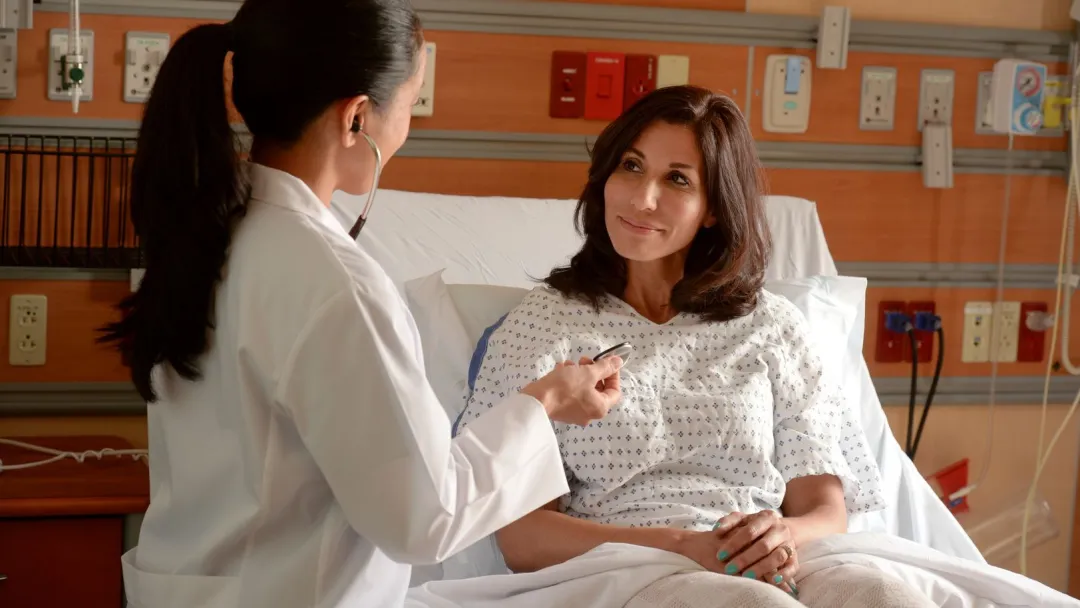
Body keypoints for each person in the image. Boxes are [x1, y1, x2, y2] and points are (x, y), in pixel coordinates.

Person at [98, 1, 624, 606]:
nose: (409, 123)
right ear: (355, 118)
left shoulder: (206, 235)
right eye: (410, 100)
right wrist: (546, 401)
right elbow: (426, 517)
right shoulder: (335, 284)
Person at [454, 85, 939, 607]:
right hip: (630, 568)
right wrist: (687, 546)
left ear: (713, 209)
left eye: (677, 179)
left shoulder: (772, 325)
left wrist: (778, 537)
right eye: (631, 166)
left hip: (775, 561)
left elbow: (824, 511)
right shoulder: (544, 326)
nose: (642, 198)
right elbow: (523, 540)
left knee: (886, 595)